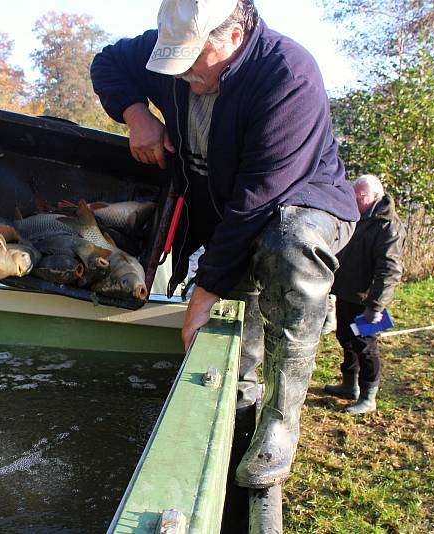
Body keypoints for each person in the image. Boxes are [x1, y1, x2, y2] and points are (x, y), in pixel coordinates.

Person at [91, 0, 359, 527]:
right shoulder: (171, 51)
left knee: (286, 245)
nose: (183, 73)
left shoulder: (289, 73)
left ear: (234, 34)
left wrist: (202, 293)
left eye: (193, 59)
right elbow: (107, 63)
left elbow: (258, 198)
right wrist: (136, 113)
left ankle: (282, 420)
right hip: (224, 207)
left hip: (300, 206)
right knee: (238, 335)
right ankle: (236, 411)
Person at [325, 174, 405, 414]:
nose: (353, 200)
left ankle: (369, 396)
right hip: (346, 292)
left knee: (366, 346)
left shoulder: (388, 226)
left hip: (367, 300)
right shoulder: (355, 216)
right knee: (344, 337)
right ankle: (349, 385)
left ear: (374, 196)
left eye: (358, 196)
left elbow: (389, 270)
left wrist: (376, 307)